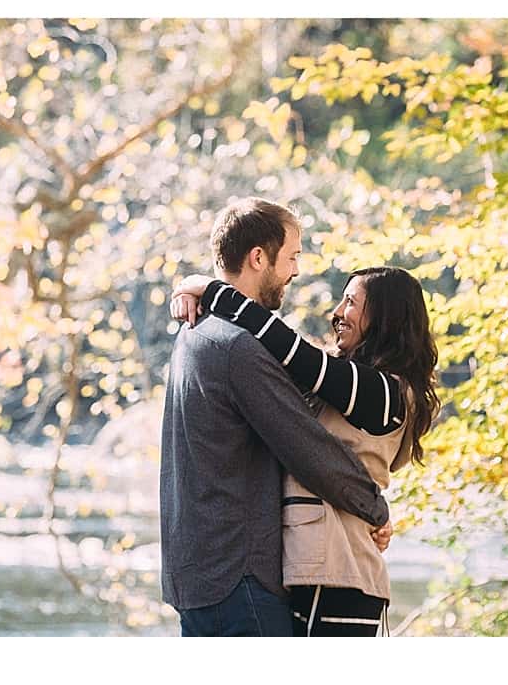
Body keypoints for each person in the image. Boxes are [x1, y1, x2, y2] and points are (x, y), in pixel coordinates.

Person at [170, 261, 441, 637]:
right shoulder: (348, 385)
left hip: (340, 575)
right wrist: (188, 289)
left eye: (351, 303)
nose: (337, 313)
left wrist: (210, 289)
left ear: (385, 318)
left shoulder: (383, 392)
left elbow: (291, 350)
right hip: (320, 571)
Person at [160, 199, 392, 636]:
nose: (295, 270)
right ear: (258, 258)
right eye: (292, 257)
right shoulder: (238, 348)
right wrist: (375, 507)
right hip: (240, 579)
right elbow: (308, 447)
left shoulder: (192, 334)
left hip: (195, 577)